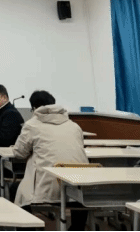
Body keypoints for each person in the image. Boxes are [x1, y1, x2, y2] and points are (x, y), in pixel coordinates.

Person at [12, 90, 89, 231]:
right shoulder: (74, 125)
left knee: (16, 191)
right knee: (79, 199)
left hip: (48, 187)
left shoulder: (32, 125)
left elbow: (19, 153)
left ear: (34, 108)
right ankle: (77, 228)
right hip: (77, 187)